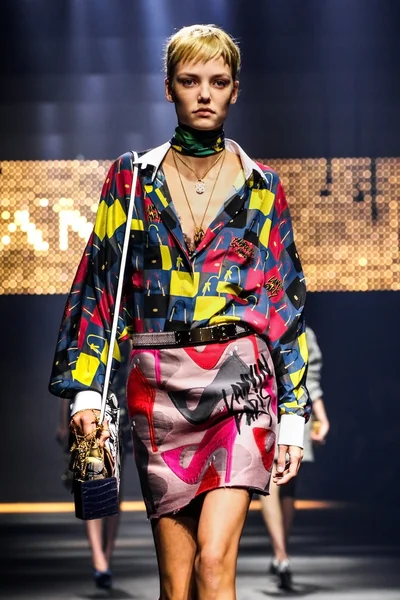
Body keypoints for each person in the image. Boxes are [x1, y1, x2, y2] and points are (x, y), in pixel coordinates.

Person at [49, 24, 311, 600]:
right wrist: (87, 393)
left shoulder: (264, 187)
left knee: (216, 564)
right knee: (177, 580)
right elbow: (98, 287)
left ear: (235, 90)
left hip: (242, 384)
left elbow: (285, 304)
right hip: (159, 388)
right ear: (168, 87)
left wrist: (293, 412)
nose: (204, 94)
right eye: (190, 81)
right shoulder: (132, 178)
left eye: (218, 82)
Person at [55, 342, 132, 590]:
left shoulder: (131, 321)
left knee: (114, 487)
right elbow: (76, 378)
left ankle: (106, 556)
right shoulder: (96, 327)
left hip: (126, 407)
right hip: (94, 406)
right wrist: (63, 420)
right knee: (92, 480)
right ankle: (99, 558)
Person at [260, 326, 330, 591]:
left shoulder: (254, 322)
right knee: (286, 484)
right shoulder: (301, 329)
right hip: (293, 411)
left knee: (272, 485)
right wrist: (321, 416)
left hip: (262, 406)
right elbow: (308, 378)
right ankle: (281, 555)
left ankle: (281, 555)